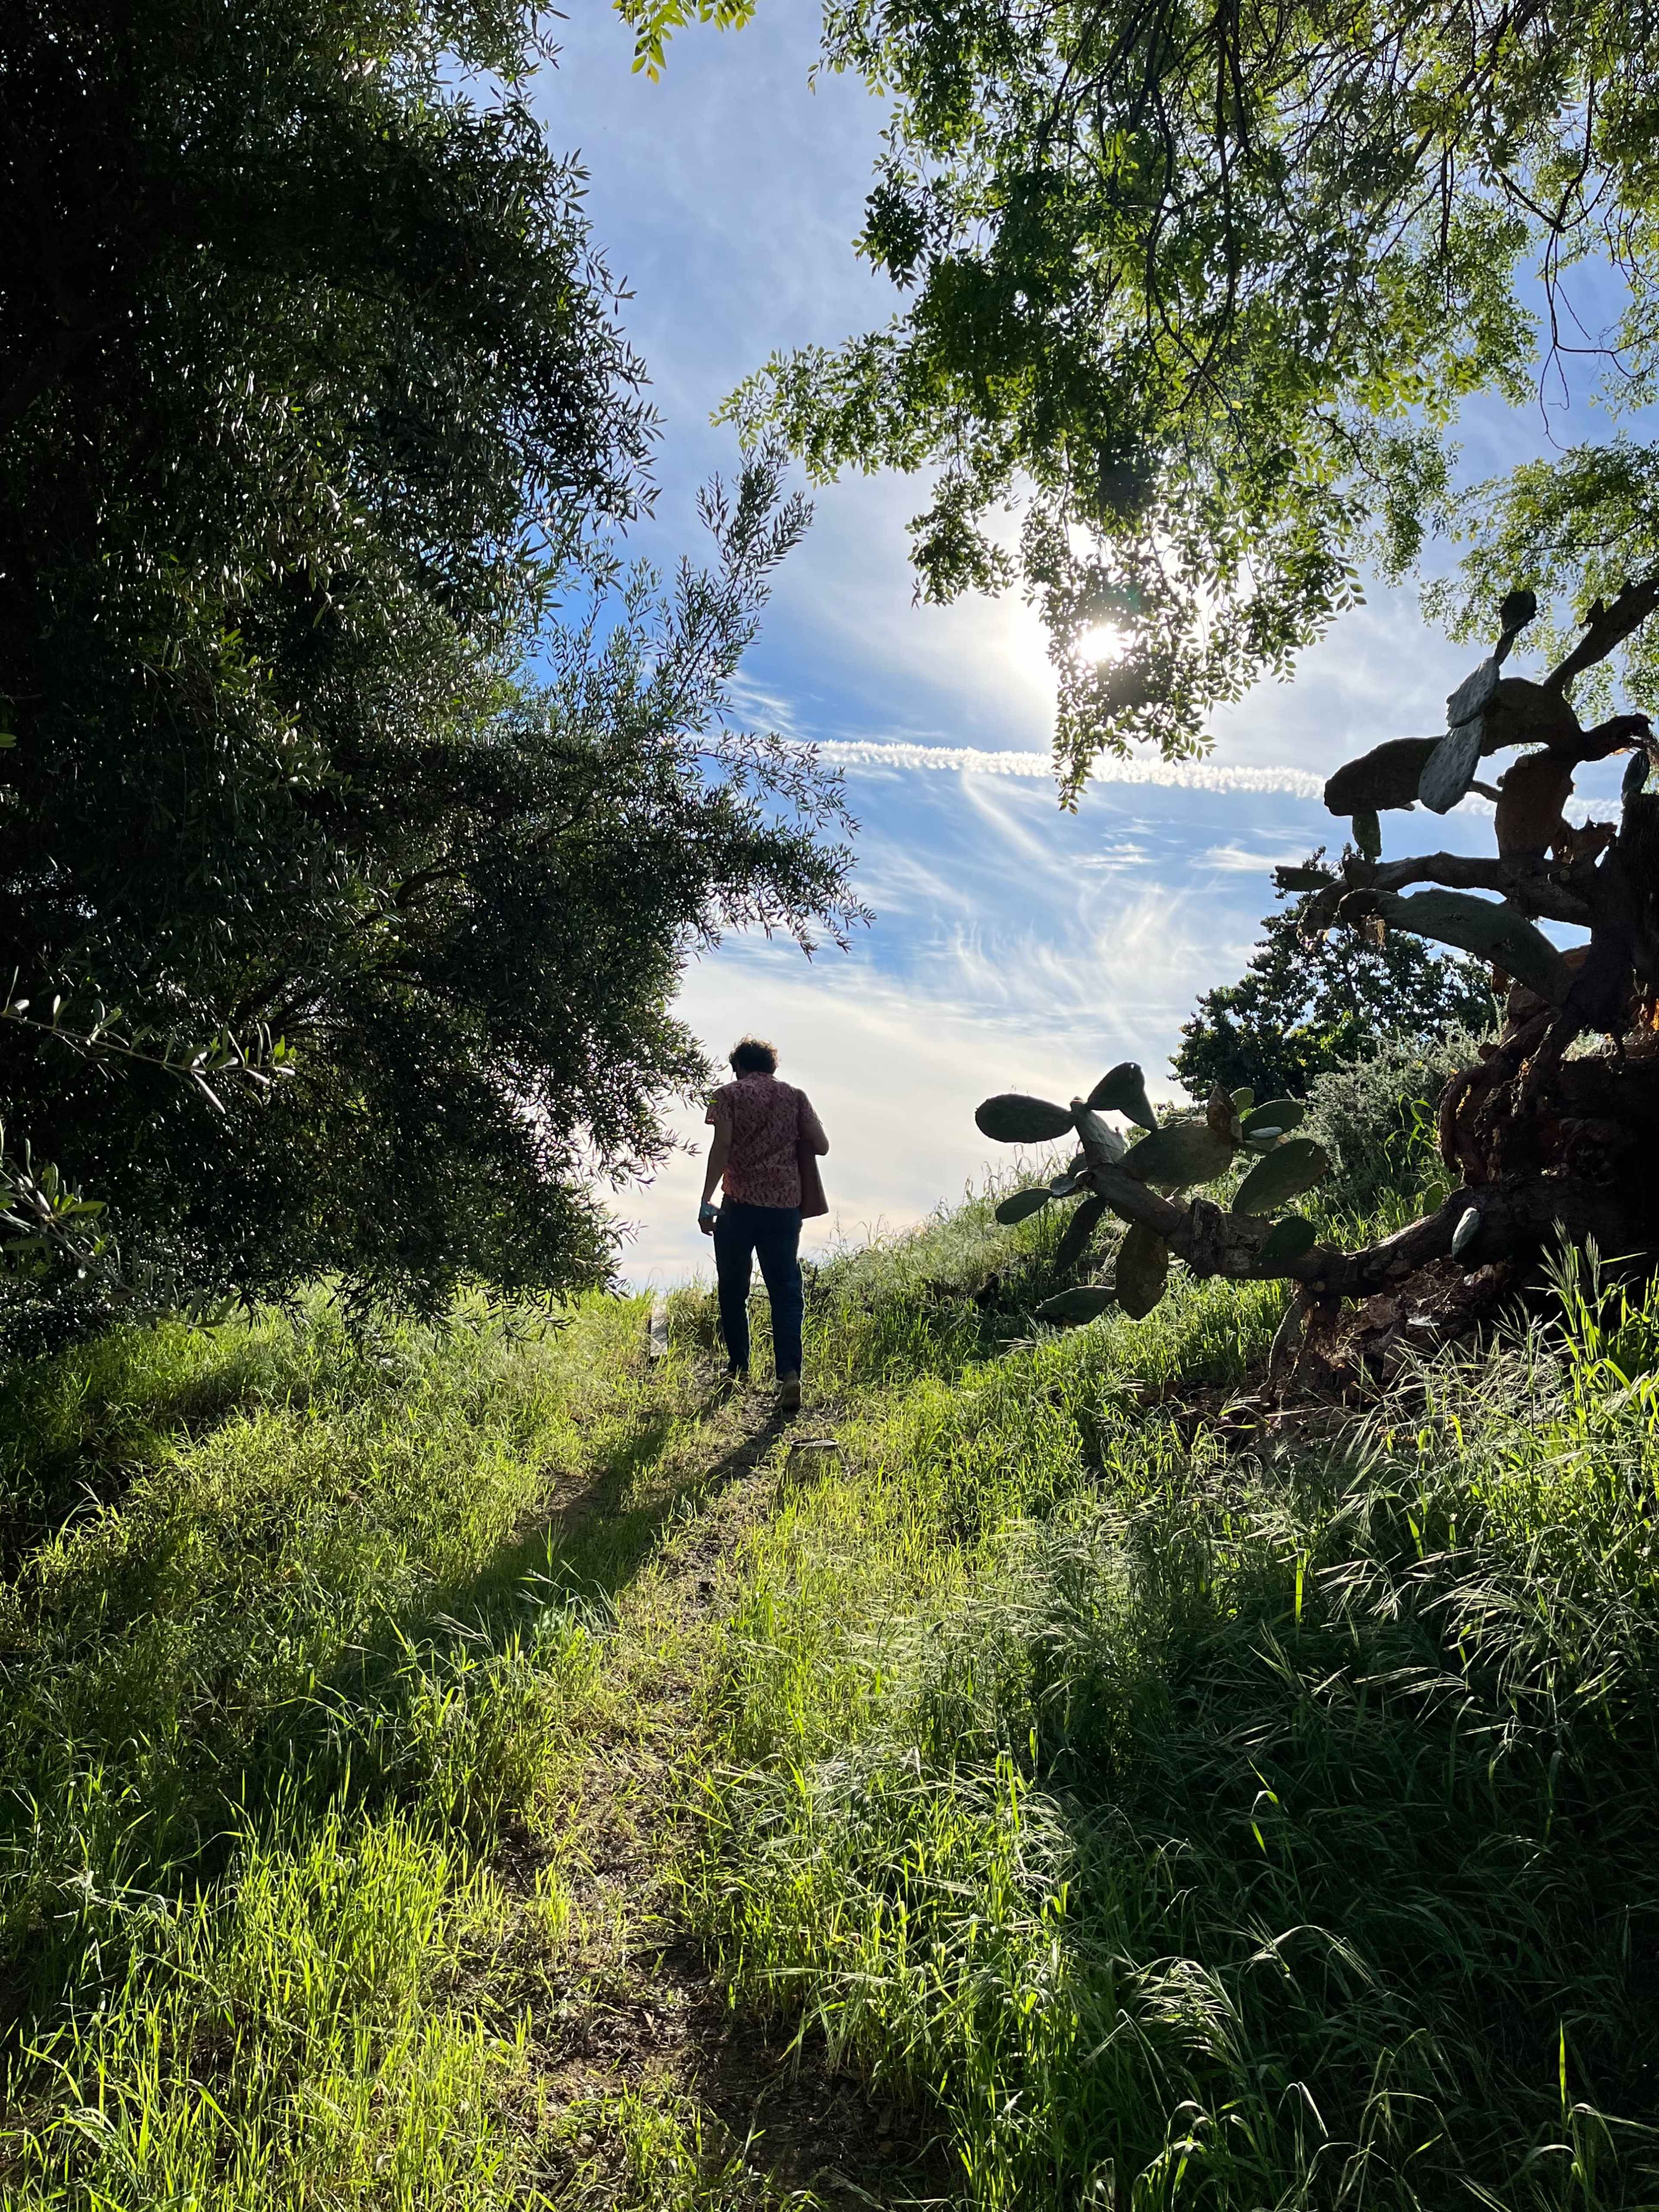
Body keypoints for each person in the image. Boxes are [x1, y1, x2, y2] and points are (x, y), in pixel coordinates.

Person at [698, 1036, 828, 1410]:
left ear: (738, 1067)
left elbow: (722, 1146)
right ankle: (789, 1374)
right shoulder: (796, 1096)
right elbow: (822, 1145)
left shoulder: (725, 1095)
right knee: (785, 1291)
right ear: (772, 1066)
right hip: (784, 1208)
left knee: (733, 1288)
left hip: (738, 1206)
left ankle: (738, 1368)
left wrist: (706, 1200)